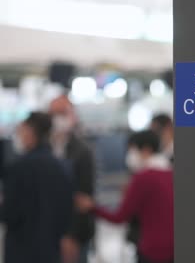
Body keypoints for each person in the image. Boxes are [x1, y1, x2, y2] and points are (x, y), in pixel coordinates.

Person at [76, 130, 173, 263]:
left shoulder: (143, 178)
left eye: (132, 150)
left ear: (146, 150)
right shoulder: (171, 173)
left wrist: (92, 207)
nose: (130, 155)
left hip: (153, 250)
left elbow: (119, 217)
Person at [2, 112, 73, 263]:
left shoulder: (19, 167)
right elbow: (67, 211)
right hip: (51, 249)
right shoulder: (62, 166)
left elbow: (9, 213)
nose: (19, 136)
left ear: (30, 132)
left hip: (22, 250)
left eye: (21, 131)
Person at [49, 95, 95, 263]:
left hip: (73, 235)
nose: (57, 119)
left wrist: (71, 235)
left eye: (62, 113)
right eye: (53, 114)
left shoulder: (82, 152)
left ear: (72, 115)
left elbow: (83, 199)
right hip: (45, 234)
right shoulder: (42, 149)